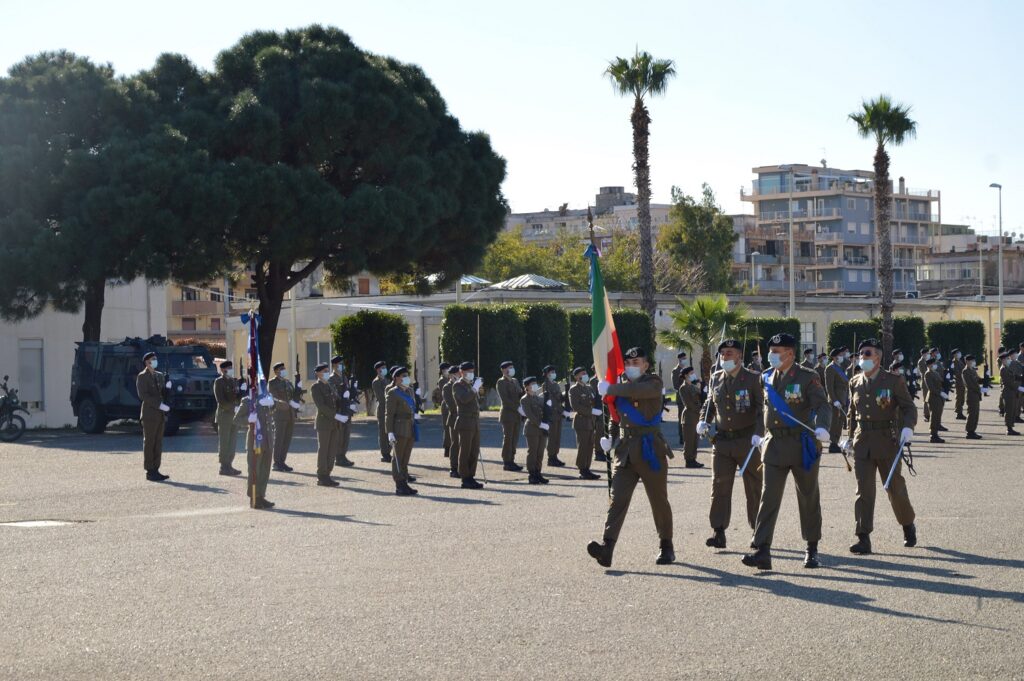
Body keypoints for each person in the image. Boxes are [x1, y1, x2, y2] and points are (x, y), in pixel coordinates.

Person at [742, 333, 830, 571]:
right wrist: (759, 432)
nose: (772, 355)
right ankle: (762, 550)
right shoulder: (766, 377)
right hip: (774, 445)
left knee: (808, 496)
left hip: (801, 444)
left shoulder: (807, 377)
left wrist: (822, 426)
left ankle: (812, 549)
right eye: (771, 350)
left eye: (777, 351)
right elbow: (764, 410)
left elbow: (822, 405)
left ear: (790, 353)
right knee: (768, 497)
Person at [587, 347, 675, 568]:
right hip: (625, 451)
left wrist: (612, 388)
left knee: (658, 501)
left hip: (649, 450)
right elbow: (617, 416)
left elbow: (639, 391)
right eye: (628, 362)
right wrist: (610, 436)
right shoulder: (621, 386)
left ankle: (666, 545)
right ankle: (607, 548)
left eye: (637, 362)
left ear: (646, 365)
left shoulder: (653, 382)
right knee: (617, 499)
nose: (632, 366)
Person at [845, 339, 918, 554]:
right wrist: (848, 438)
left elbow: (908, 408)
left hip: (887, 440)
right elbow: (852, 415)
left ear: (878, 357)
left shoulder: (893, 381)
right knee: (863, 491)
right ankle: (863, 537)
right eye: (860, 354)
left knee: (894, 488)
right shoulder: (855, 381)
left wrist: (908, 428)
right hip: (862, 442)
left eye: (867, 354)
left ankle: (907, 524)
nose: (862, 357)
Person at [697, 339, 764, 549]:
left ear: (739, 357)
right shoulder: (716, 378)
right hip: (723, 441)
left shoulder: (753, 379)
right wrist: (703, 420)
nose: (725, 357)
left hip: (747, 441)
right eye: (723, 353)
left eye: (730, 353)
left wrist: (759, 433)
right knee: (719, 486)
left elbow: (763, 408)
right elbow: (710, 403)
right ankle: (718, 531)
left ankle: (757, 531)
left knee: (753, 488)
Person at [233, 388, 279, 509]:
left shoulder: (267, 400)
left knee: (265, 470)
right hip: (255, 442)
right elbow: (236, 419)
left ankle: (261, 496)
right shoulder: (248, 401)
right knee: (255, 471)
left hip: (267, 440)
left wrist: (272, 401)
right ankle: (254, 498)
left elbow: (276, 408)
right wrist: (248, 419)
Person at [385, 366, 419, 496]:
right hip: (399, 428)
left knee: (406, 456)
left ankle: (404, 481)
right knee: (398, 457)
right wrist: (390, 432)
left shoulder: (409, 391)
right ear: (397, 378)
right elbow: (389, 414)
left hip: (410, 427)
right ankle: (399, 484)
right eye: (403, 376)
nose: (406, 378)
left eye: (407, 375)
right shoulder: (393, 393)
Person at [136, 351, 170, 482]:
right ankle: (150, 471)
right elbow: (143, 395)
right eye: (153, 359)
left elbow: (162, 393)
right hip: (149, 413)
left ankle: (156, 469)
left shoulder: (159, 375)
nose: (155, 361)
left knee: (158, 442)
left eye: (156, 358)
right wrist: (159, 405)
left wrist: (168, 389)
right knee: (149, 442)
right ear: (147, 362)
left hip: (160, 414)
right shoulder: (142, 377)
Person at [454, 361, 485, 489]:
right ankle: (465, 477)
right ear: (462, 372)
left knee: (474, 450)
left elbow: (477, 402)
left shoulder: (472, 385)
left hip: (474, 421)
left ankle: (471, 476)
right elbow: (464, 399)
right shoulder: (458, 385)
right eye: (469, 372)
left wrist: (477, 389)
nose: (471, 374)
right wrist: (474, 389)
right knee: (465, 450)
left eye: (472, 371)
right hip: (465, 421)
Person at [310, 364, 341, 487]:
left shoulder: (330, 385)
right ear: (318, 373)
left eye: (328, 371)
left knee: (332, 449)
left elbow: (336, 400)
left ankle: (328, 473)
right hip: (324, 422)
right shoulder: (316, 387)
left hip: (333, 422)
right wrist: (336, 415)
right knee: (324, 450)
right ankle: (322, 476)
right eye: (324, 371)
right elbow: (321, 406)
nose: (327, 373)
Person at [568, 367, 601, 480]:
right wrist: (591, 411)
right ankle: (582, 470)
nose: (586, 375)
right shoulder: (574, 389)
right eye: (583, 373)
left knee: (589, 446)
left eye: (586, 372)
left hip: (590, 421)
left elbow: (594, 401)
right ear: (577, 376)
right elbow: (576, 406)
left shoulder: (589, 388)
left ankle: (587, 468)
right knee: (583, 446)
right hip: (581, 421)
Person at [268, 362, 300, 473]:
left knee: (286, 439)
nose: (284, 370)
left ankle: (282, 461)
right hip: (280, 413)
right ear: (276, 371)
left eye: (284, 368)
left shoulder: (288, 382)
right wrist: (288, 401)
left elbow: (293, 395)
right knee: (279, 439)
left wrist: (298, 388)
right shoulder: (272, 383)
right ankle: (276, 463)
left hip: (290, 413)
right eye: (281, 368)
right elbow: (274, 397)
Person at [213, 360, 242, 476]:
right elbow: (221, 400)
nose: (231, 369)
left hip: (234, 416)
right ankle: (223, 466)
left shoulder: (234, 381)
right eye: (228, 368)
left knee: (232, 442)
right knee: (225, 442)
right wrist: (232, 408)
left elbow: (237, 397)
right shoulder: (219, 382)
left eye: (231, 367)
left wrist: (242, 391)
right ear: (222, 370)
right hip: (224, 415)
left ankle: (229, 464)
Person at [496, 360, 525, 472]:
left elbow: (519, 395)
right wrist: (518, 408)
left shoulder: (515, 381)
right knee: (508, 438)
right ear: (503, 370)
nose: (511, 369)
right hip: (508, 414)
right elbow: (506, 400)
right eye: (509, 367)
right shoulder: (501, 382)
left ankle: (512, 460)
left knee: (515, 439)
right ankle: (507, 461)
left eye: (512, 367)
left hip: (517, 414)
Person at [520, 376, 549, 484]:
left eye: (535, 383)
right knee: (533, 452)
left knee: (540, 452)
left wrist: (549, 404)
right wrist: (541, 424)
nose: (535, 386)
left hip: (542, 429)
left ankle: (538, 472)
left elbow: (545, 410)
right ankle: (532, 474)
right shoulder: (524, 399)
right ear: (527, 387)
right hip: (532, 429)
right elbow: (530, 415)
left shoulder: (538, 398)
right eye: (532, 384)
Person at [328, 356, 355, 468]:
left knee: (346, 433)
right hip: (339, 409)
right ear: (334, 365)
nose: (342, 365)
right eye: (339, 363)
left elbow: (348, 391)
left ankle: (343, 455)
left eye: (342, 363)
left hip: (347, 409)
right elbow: (333, 394)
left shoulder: (344, 377)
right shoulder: (331, 379)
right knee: (339, 434)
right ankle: (338, 457)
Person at [824, 348, 850, 454]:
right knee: (835, 423)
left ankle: (837, 441)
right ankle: (833, 444)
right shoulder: (830, 368)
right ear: (834, 357)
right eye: (839, 355)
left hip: (843, 399)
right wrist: (834, 400)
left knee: (840, 422)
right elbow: (829, 387)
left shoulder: (839, 367)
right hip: (836, 401)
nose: (841, 357)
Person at [677, 366, 703, 468]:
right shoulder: (683, 388)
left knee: (695, 439)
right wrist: (699, 410)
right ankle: (688, 460)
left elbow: (700, 395)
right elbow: (688, 404)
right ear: (686, 375)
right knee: (689, 440)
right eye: (691, 373)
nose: (693, 374)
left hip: (696, 416)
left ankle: (693, 459)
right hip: (689, 417)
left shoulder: (693, 386)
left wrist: (700, 385)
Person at [542, 365, 566, 467]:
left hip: (558, 415)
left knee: (557, 436)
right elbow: (551, 401)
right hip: (552, 414)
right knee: (552, 437)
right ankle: (551, 458)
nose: (553, 374)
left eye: (554, 372)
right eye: (551, 372)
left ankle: (555, 456)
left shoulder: (556, 384)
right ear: (547, 374)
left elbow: (559, 398)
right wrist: (561, 410)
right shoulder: (545, 385)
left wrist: (566, 394)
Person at [442, 364, 462, 477]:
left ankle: (463, 466)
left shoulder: (462, 385)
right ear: (451, 376)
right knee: (455, 444)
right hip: (454, 418)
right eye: (457, 374)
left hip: (465, 418)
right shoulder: (447, 387)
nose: (460, 375)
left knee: (464, 444)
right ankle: (453, 468)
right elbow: (452, 405)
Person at [371, 360, 393, 463]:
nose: (384, 369)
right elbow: (381, 397)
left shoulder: (387, 380)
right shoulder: (376, 382)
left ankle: (389, 450)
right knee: (383, 433)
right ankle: (385, 453)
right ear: (378, 370)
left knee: (390, 430)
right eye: (382, 368)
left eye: (385, 367)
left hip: (390, 409)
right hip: (383, 409)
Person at [923, 358, 947, 443]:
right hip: (933, 397)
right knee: (934, 417)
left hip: (939, 398)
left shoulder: (935, 373)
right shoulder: (928, 374)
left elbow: (941, 383)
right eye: (933, 364)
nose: (934, 365)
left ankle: (936, 434)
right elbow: (931, 387)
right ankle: (933, 435)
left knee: (938, 416)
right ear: (929, 365)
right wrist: (940, 393)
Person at [999, 351, 1022, 436]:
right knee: (1009, 411)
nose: (1009, 360)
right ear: (1003, 360)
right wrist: (1019, 387)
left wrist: (1020, 378)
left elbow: (1013, 377)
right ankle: (1009, 429)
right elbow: (1009, 382)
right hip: (1008, 392)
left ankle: (1011, 427)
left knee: (1012, 410)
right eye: (1007, 359)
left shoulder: (1007, 367)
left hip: (1012, 392)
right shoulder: (1003, 369)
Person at [589, 367, 608, 464]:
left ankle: (602, 451)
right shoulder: (593, 381)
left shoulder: (605, 379)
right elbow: (593, 396)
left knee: (604, 432)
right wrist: (595, 410)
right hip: (598, 410)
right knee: (599, 432)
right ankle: (598, 452)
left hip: (605, 409)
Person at [962, 354, 983, 439]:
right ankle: (969, 431)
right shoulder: (965, 371)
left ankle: (973, 430)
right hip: (971, 394)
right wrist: (979, 389)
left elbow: (978, 379)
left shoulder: (973, 370)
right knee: (971, 413)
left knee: (976, 414)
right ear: (967, 361)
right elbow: (969, 384)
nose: (973, 362)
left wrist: (985, 380)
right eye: (972, 361)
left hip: (976, 394)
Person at [434, 363, 452, 458]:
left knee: (450, 427)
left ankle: (450, 447)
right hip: (445, 405)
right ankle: (447, 447)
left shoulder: (449, 379)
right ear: (442, 370)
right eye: (446, 369)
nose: (448, 370)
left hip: (450, 404)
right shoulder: (442, 380)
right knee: (447, 427)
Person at [671, 351, 689, 445]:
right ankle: (682, 438)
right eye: (683, 359)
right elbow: (675, 385)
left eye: (686, 358)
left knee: (689, 418)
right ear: (679, 359)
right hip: (681, 397)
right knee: (681, 418)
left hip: (689, 397)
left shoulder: (687, 369)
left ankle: (687, 436)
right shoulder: (675, 371)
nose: (685, 360)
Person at [949, 349, 966, 420]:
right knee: (959, 397)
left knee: (962, 398)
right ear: (954, 355)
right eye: (957, 353)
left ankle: (960, 411)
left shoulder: (959, 361)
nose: (959, 354)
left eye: (959, 352)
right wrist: (964, 373)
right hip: (959, 382)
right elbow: (957, 372)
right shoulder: (954, 362)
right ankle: (959, 413)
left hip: (962, 382)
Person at [917, 349, 931, 421]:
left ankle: (929, 413)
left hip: (929, 382)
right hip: (925, 382)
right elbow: (923, 371)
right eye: (927, 353)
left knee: (929, 399)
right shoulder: (921, 361)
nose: (928, 354)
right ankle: (926, 415)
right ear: (923, 354)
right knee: (926, 399)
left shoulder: (927, 361)